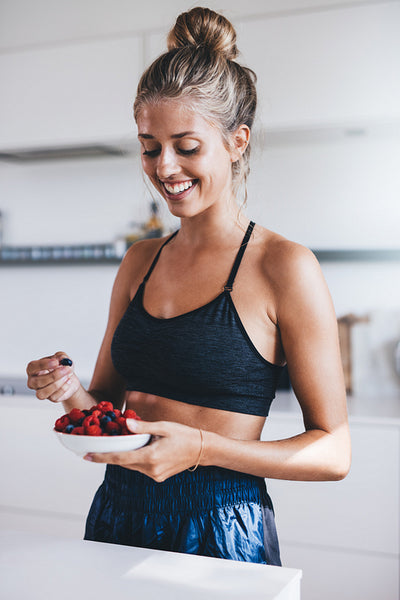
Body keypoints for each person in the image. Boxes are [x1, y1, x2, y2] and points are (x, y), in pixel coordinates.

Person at [26, 7, 351, 565]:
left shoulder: (284, 266)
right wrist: (68, 391)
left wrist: (201, 448)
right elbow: (107, 407)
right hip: (116, 511)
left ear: (237, 141)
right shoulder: (139, 261)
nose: (164, 166)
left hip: (220, 523)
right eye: (150, 147)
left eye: (187, 146)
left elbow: (333, 451)